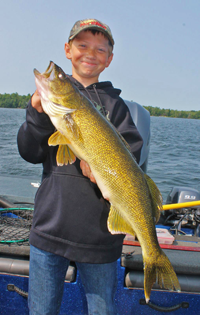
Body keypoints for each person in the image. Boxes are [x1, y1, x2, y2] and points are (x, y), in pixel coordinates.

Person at [17, 18, 143, 315]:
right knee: (42, 310)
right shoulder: (50, 104)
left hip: (99, 237)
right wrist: (36, 113)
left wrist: (100, 169)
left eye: (100, 49)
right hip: (50, 228)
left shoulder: (118, 107)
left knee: (101, 309)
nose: (90, 53)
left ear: (109, 59)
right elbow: (30, 152)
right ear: (68, 50)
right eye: (82, 45)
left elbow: (130, 160)